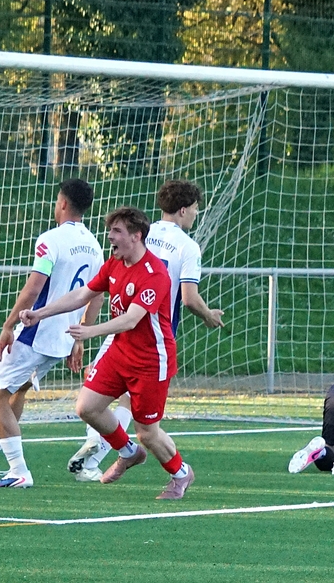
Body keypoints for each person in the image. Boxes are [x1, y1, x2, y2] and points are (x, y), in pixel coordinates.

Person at [20, 206, 195, 500]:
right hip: (120, 351)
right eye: (110, 230)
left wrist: (90, 330)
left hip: (151, 360)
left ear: (136, 236)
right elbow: (82, 294)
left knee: (148, 432)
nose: (110, 236)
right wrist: (41, 313)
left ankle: (181, 473)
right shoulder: (114, 263)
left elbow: (132, 319)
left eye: (116, 231)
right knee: (86, 407)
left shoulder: (155, 274)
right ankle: (128, 452)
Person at [67, 179, 224, 482]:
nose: (196, 214)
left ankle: (117, 453)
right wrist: (207, 316)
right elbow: (189, 298)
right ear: (183, 209)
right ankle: (115, 452)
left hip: (127, 331)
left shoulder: (141, 237)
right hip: (142, 333)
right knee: (121, 413)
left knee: (133, 412)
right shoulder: (186, 246)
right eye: (194, 209)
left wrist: (89, 328)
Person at [0, 178, 104, 488]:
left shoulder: (51, 239)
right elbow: (97, 295)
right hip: (63, 337)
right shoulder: (94, 246)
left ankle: (19, 470)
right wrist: (79, 338)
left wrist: (7, 325)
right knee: (17, 389)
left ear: (63, 203)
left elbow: (34, 288)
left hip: (36, 332)